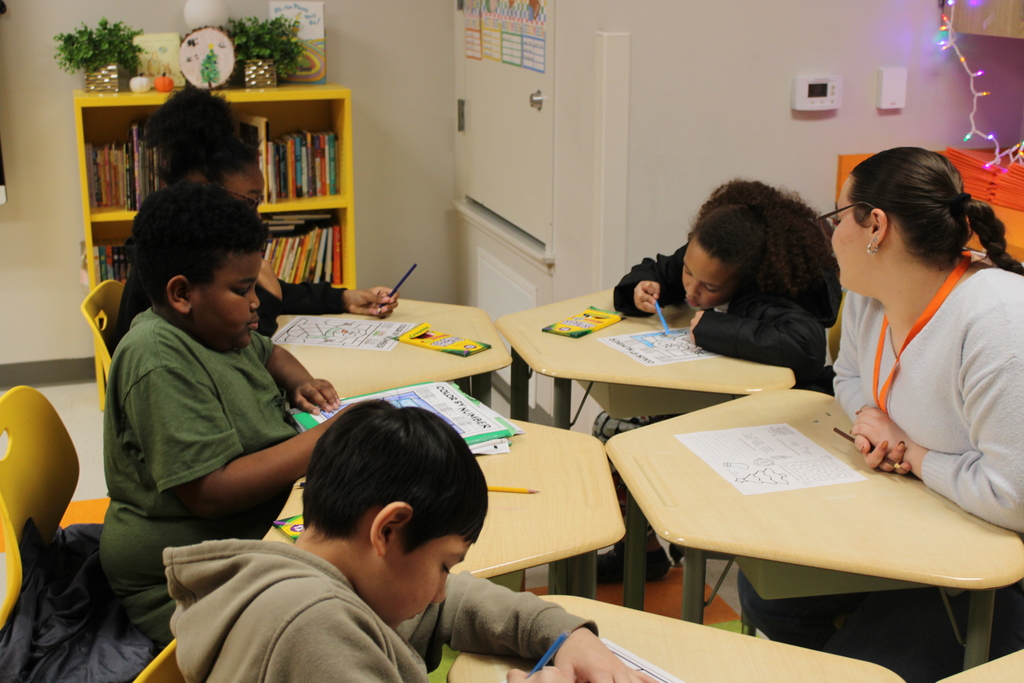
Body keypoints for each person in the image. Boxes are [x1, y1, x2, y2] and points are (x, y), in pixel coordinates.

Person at [738, 147, 1024, 683]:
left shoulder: (1000, 322)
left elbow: (1013, 498)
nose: (831, 233)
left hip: (997, 565)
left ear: (877, 227)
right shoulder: (869, 296)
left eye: (837, 217)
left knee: (860, 667)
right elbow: (846, 376)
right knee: (767, 594)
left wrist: (913, 454)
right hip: (918, 520)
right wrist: (871, 420)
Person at [163, 401, 657, 683]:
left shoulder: (326, 575)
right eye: (443, 564)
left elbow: (455, 601)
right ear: (388, 529)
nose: (443, 588)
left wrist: (567, 635)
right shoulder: (310, 628)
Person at [101, 182, 346, 647]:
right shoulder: (158, 357)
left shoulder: (219, 330)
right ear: (181, 294)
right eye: (242, 289)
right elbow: (210, 492)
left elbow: (270, 352)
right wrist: (325, 439)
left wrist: (300, 382)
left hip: (246, 535)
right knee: (336, 620)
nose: (257, 302)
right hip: (184, 578)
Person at [597, 179, 842, 581]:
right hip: (713, 391)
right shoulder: (707, 257)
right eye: (689, 273)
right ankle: (643, 551)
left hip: (761, 417)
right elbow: (661, 268)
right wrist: (642, 287)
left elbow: (806, 347)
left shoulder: (773, 293)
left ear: (747, 279)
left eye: (709, 287)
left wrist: (713, 327)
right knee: (612, 426)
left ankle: (663, 544)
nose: (691, 290)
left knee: (617, 431)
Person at [111, 86, 396, 350]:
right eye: (251, 201)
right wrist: (269, 299)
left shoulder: (190, 243)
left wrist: (343, 298)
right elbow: (238, 341)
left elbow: (248, 294)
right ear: (205, 190)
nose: (256, 214)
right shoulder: (177, 262)